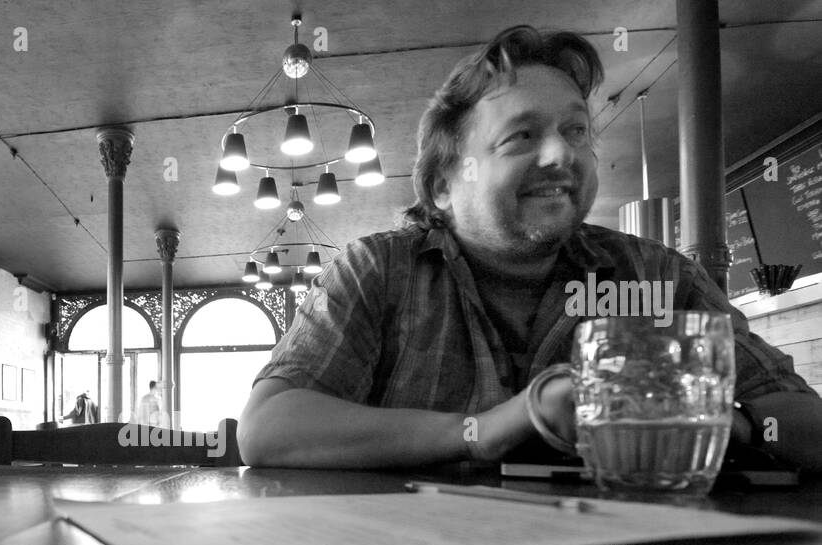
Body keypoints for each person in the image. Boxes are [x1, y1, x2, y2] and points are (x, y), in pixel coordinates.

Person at [238, 25, 822, 471]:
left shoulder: (655, 276)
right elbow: (269, 428)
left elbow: (802, 421)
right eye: (522, 136)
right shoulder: (381, 271)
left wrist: (734, 424)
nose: (561, 155)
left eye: (575, 131)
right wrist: (486, 428)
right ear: (444, 184)